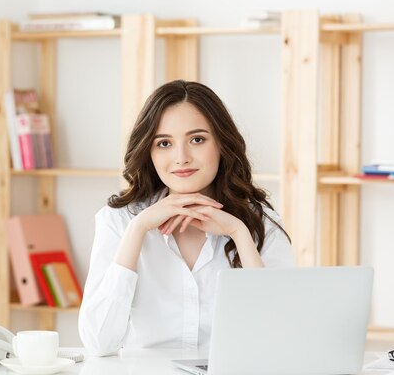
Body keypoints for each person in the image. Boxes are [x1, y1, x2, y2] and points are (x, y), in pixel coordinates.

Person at [78, 80, 294, 356]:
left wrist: (239, 233)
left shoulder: (260, 223)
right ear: (149, 151)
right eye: (164, 143)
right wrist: (138, 228)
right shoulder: (119, 221)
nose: (181, 158)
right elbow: (99, 343)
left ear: (221, 144)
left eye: (197, 140)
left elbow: (278, 338)